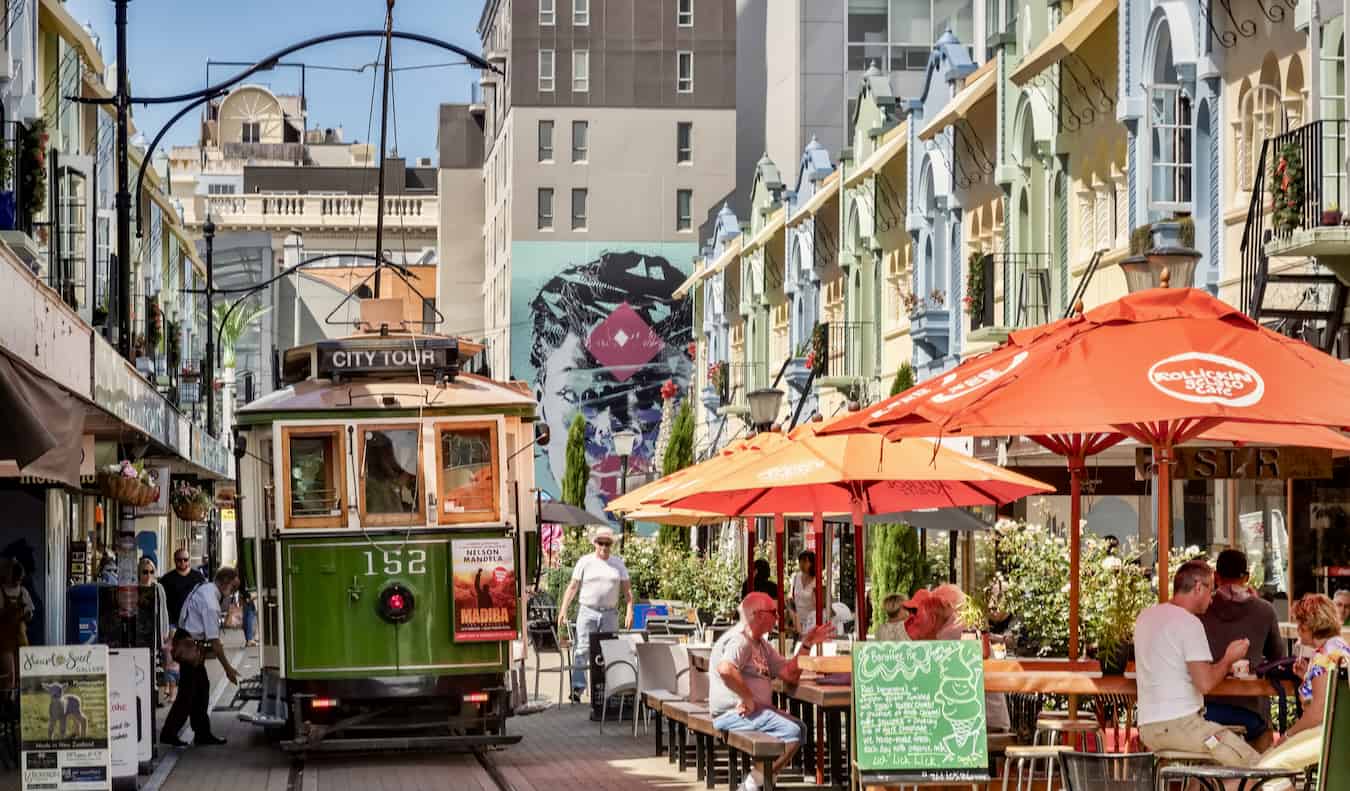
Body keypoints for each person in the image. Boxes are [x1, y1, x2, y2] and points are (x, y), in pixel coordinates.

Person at [1134, 559, 1258, 767]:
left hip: (1148, 729)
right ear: (1198, 587)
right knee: (1255, 766)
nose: (1212, 600)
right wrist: (1228, 659)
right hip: (1182, 726)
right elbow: (1205, 683)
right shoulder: (1189, 623)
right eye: (1211, 590)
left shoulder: (1145, 617)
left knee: (1209, 771)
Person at [710, 592, 834, 791]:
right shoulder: (740, 640)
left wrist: (807, 643)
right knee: (791, 732)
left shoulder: (761, 645)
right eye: (773, 612)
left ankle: (763, 779)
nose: (778, 617)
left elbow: (789, 674)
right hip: (731, 713)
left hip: (753, 711)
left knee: (800, 728)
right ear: (758, 615)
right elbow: (725, 669)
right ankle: (753, 784)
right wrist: (747, 698)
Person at [1255, 594, 1350, 782]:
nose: (1298, 629)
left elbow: (1317, 713)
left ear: (1310, 625)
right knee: (1267, 764)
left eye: (1300, 624)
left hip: (1329, 735)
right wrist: (1306, 676)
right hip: (1334, 732)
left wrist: (1288, 735)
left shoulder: (1326, 656)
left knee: (1269, 769)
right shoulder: (1335, 648)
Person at [1199, 549, 1286, 750]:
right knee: (1264, 730)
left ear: (1215, 576)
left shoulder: (1202, 610)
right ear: (1246, 577)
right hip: (1250, 713)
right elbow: (1277, 657)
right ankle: (1257, 777)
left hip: (1203, 711)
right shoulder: (1264, 610)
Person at [160, 567, 241, 747]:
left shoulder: (204, 588)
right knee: (188, 693)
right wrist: (228, 669)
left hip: (187, 641)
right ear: (225, 583)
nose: (233, 594)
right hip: (190, 647)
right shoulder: (211, 603)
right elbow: (215, 642)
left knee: (201, 688)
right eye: (234, 588)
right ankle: (171, 732)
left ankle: (201, 732)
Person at [557, 527, 633, 703]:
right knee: (582, 649)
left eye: (607, 543)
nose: (604, 547)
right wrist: (563, 608)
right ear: (594, 543)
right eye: (601, 543)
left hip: (609, 613)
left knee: (610, 650)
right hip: (588, 611)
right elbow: (573, 586)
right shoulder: (585, 562)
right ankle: (577, 688)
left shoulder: (618, 563)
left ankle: (609, 688)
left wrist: (630, 609)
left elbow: (627, 590)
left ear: (611, 545)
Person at [0, 560, 33, 689]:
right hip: (4, 638)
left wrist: (27, 615)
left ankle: (19, 697)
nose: (17, 581)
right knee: (8, 672)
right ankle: (8, 698)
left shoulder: (23, 592)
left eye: (19, 579)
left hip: (20, 636)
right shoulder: (1, 591)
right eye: (15, 578)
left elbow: (30, 612)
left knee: (22, 671)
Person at [160, 550, 206, 628]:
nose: (182, 562)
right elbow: (162, 601)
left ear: (189, 560)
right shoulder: (167, 579)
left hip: (194, 622)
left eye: (185, 559)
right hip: (173, 623)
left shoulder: (198, 577)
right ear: (174, 560)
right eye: (179, 560)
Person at [786, 551, 817, 636]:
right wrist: (793, 618)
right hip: (797, 621)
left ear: (812, 563)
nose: (802, 564)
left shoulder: (817, 580)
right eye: (800, 561)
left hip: (811, 622)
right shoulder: (796, 577)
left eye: (805, 561)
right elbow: (790, 598)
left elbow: (819, 605)